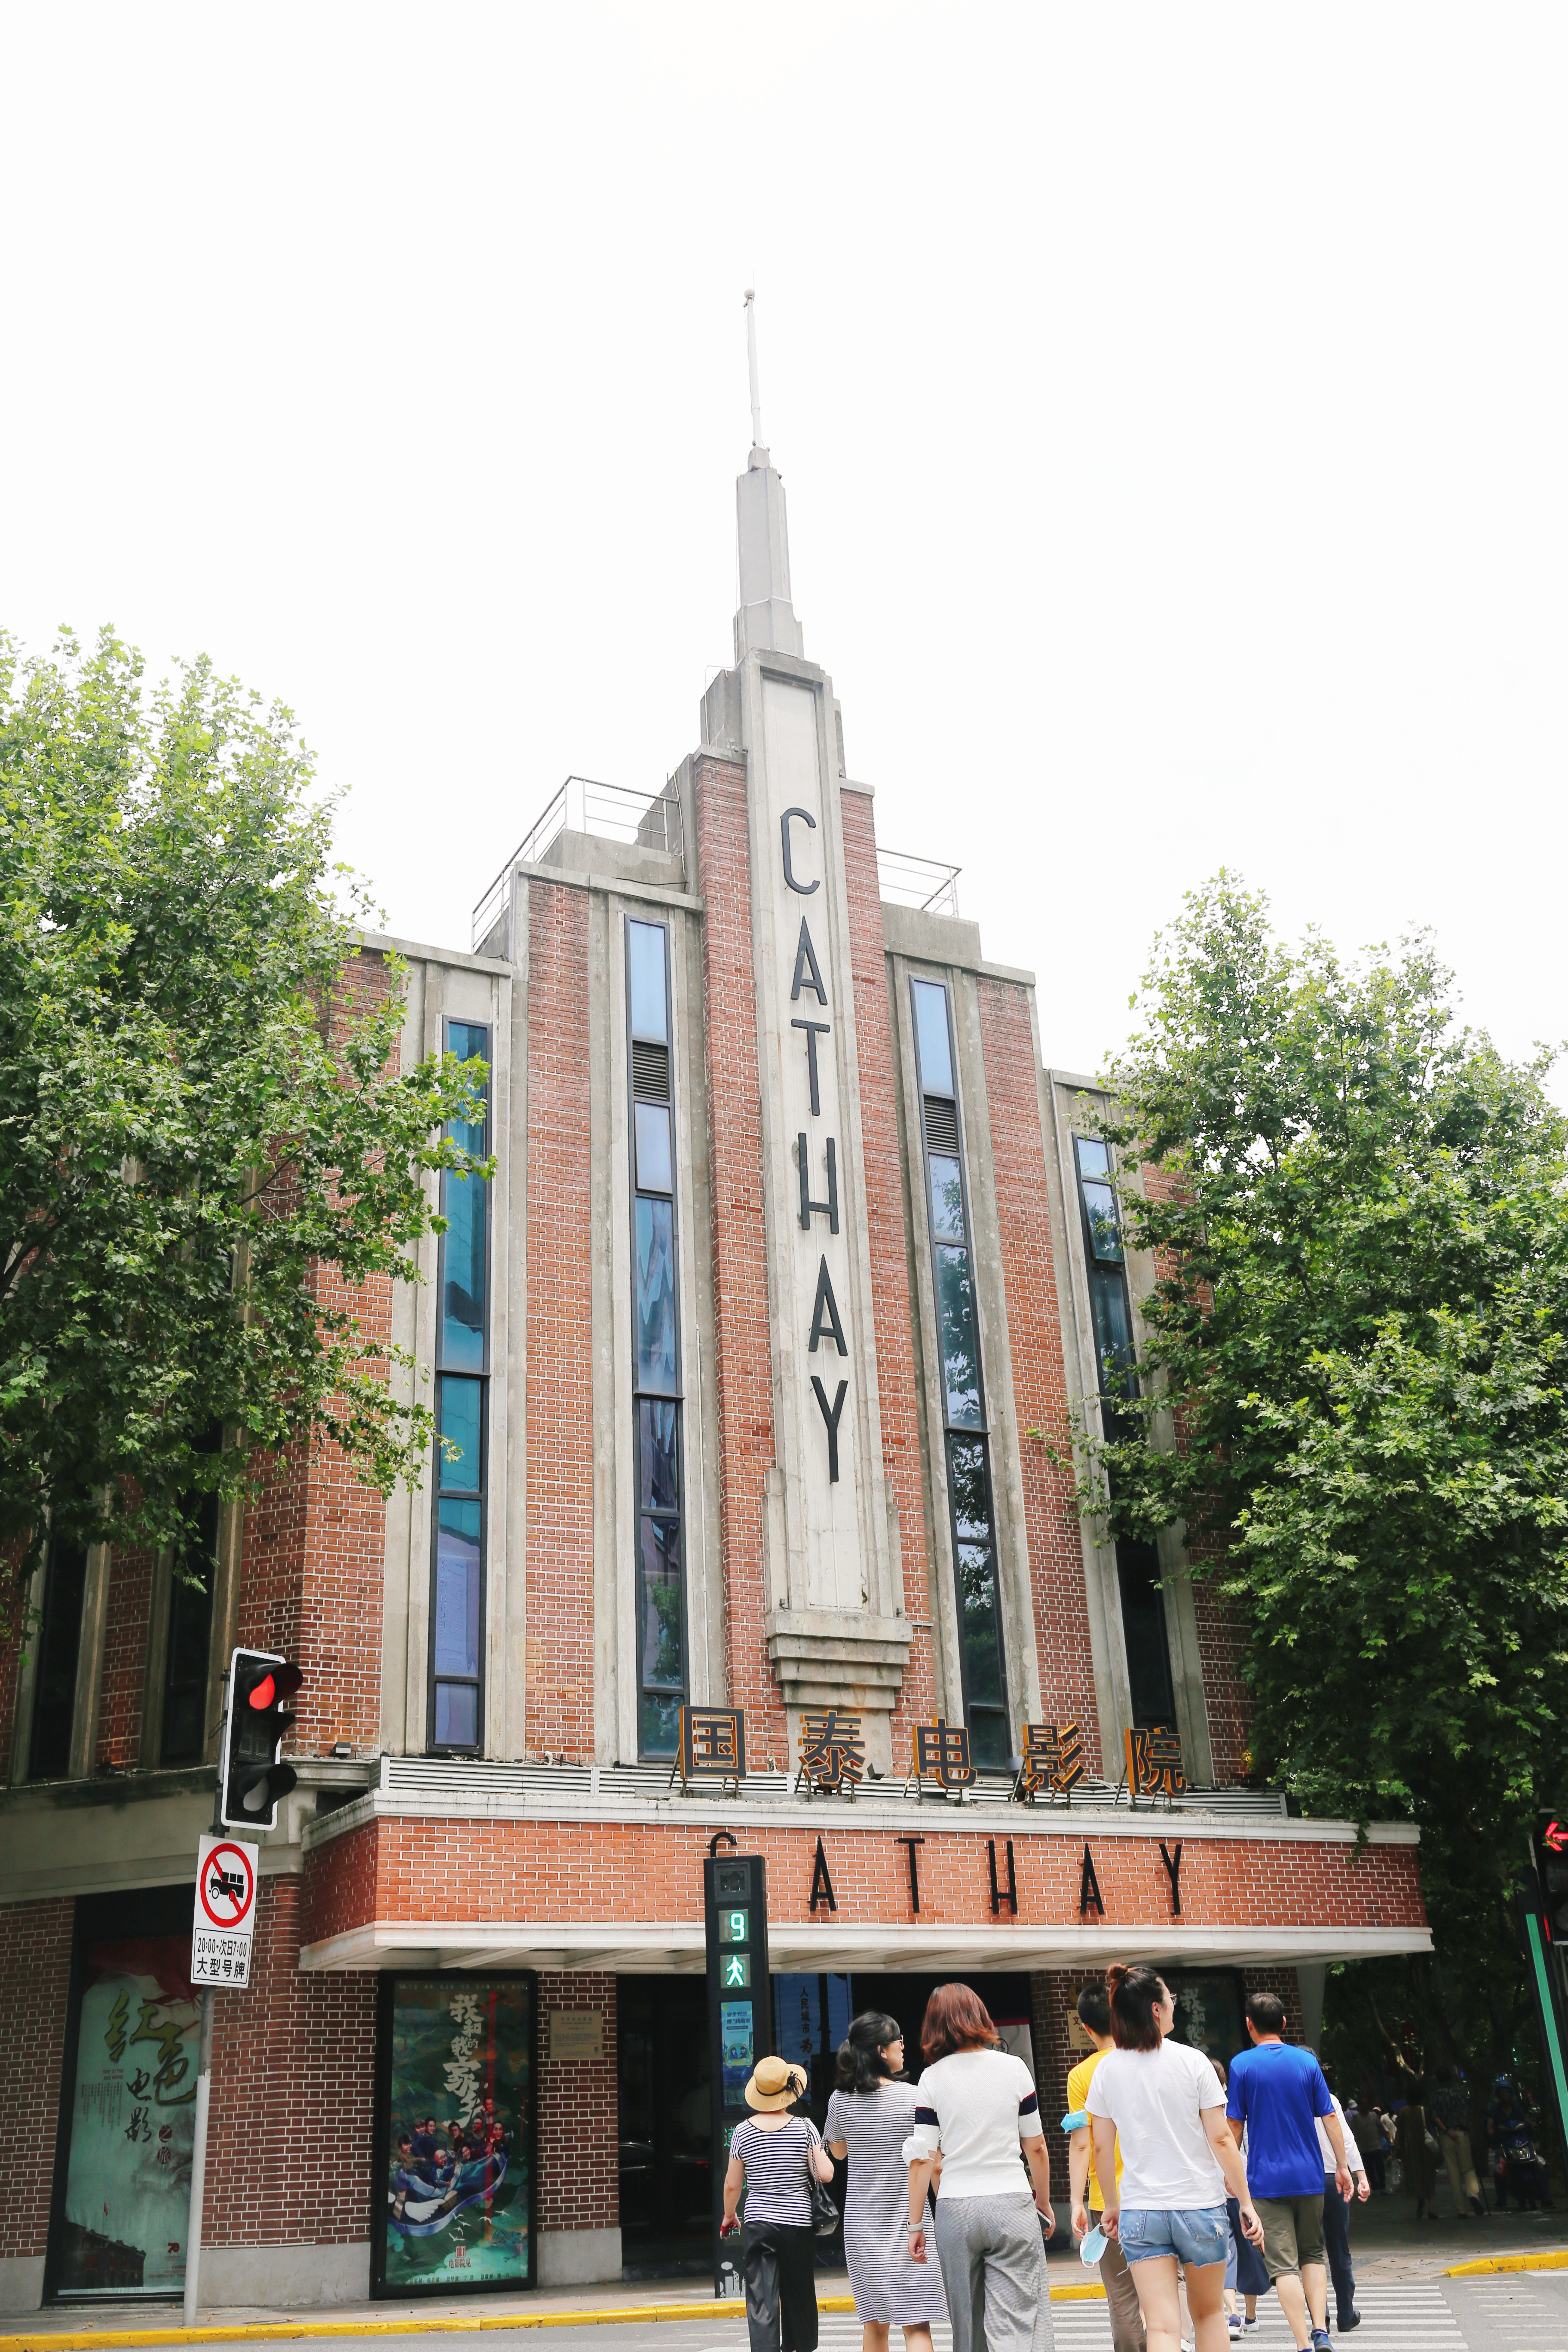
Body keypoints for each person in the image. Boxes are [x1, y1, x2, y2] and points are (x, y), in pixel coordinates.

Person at [1085, 1964, 1264, 2352]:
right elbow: (1221, 2138)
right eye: (1170, 1999)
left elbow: (1101, 2147)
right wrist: (1246, 2201)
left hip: (1141, 2211)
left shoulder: (1106, 2072)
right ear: (1155, 2009)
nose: (1173, 2005)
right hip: (1199, 2204)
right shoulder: (1194, 2062)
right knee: (1209, 2315)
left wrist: (1111, 2205)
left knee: (1163, 2328)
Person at [905, 1982, 1054, 2352]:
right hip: (1011, 2201)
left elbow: (924, 2159)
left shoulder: (931, 2079)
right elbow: (1035, 2145)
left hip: (956, 2209)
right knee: (1019, 2319)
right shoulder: (1014, 2068)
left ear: (934, 2025)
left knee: (967, 2328)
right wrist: (1044, 2201)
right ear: (979, 2016)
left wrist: (916, 2224)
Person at [1225, 1991, 1350, 2352]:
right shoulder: (1306, 2063)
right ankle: (1321, 2330)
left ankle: (1302, 2345)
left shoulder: (1241, 2066)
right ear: (1283, 2023)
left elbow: (1234, 2127)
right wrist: (1342, 2167)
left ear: (1250, 2026)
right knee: (1313, 2253)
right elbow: (1329, 2116)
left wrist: (1230, 2176)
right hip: (1310, 2176)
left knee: (1283, 2267)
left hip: (1266, 2182)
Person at [824, 2012, 949, 2352]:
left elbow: (838, 2152)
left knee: (875, 2326)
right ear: (882, 2050)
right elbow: (931, 2159)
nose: (904, 2047)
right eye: (899, 2041)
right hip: (910, 2224)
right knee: (916, 2327)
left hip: (862, 2227)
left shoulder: (840, 2100)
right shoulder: (914, 2097)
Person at [722, 2055, 836, 2352]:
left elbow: (733, 2184)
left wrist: (730, 2215)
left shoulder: (742, 2132)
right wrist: (818, 2148)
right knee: (799, 2293)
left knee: (762, 2298)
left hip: (759, 2223)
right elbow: (825, 2173)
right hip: (797, 2224)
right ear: (789, 2093)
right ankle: (799, 2347)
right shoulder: (804, 2127)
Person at [1066, 1982, 1146, 2352]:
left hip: (1108, 2200)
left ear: (1085, 2027)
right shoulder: (1147, 2058)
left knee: (1123, 2297)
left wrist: (1077, 2201)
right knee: (1165, 2287)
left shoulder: (1082, 2075)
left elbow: (1083, 2141)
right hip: (1156, 2192)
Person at [1209, 2057, 1267, 2339]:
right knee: (1248, 2252)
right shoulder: (1235, 2109)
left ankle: (1233, 2315)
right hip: (1240, 2188)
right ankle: (1250, 2315)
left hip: (1213, 2194)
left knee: (1226, 2254)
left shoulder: (1198, 2111)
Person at [1314, 2070, 1369, 2334]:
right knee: (1339, 2248)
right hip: (1334, 2178)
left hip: (1304, 2183)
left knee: (1311, 2251)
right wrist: (1361, 2176)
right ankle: (1345, 2313)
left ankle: (1319, 2317)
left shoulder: (1288, 2100)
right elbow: (1347, 2141)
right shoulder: (1329, 2099)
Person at [1430, 2070, 1484, 2216]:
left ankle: (1461, 2210)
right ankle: (1473, 2195)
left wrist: (1446, 2131)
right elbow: (1469, 2115)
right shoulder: (1460, 2094)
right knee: (1468, 2169)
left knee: (1453, 2172)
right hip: (1462, 2133)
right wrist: (1471, 2134)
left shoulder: (1436, 2096)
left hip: (1447, 2135)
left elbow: (1435, 2117)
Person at [1392, 2080, 1438, 2220]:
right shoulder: (1425, 2111)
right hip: (1426, 2148)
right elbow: (1433, 2127)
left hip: (1410, 2149)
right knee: (1430, 2177)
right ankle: (1431, 2209)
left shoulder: (1403, 2112)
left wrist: (1395, 2151)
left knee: (1416, 2176)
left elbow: (1399, 2132)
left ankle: (1420, 2200)